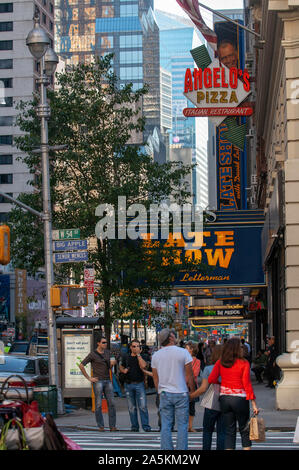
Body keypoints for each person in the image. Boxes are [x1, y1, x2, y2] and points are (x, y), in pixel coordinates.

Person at [208, 337, 259, 450]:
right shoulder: (244, 363)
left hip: (225, 398)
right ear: (237, 349)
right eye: (240, 347)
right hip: (240, 399)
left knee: (229, 431)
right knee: (244, 429)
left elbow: (211, 379)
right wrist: (253, 402)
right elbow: (246, 383)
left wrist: (221, 383)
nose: (242, 349)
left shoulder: (220, 362)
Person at [151, 328, 195, 451]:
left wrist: (159, 391)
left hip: (164, 393)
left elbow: (155, 378)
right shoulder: (183, 352)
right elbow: (189, 375)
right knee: (182, 425)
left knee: (166, 425)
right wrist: (192, 391)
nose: (175, 337)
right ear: (170, 338)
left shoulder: (156, 356)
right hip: (181, 392)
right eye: (173, 335)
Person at [190, 345, 226, 450]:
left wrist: (191, 396)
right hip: (225, 400)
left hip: (211, 400)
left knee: (207, 431)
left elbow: (203, 388)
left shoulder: (208, 369)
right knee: (222, 432)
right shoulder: (229, 367)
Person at [79, 337, 117, 432]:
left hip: (107, 380)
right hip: (98, 381)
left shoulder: (108, 352)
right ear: (98, 343)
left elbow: (111, 365)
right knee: (98, 404)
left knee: (111, 403)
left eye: (106, 342)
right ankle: (101, 426)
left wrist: (113, 363)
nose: (105, 344)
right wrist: (89, 378)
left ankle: (112, 426)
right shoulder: (93, 354)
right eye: (103, 342)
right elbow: (81, 365)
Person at [119, 339, 151, 432]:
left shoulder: (143, 356)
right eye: (134, 346)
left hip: (139, 384)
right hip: (128, 384)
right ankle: (134, 427)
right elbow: (121, 365)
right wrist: (123, 370)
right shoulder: (126, 357)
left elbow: (144, 366)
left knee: (143, 406)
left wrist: (138, 355)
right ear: (130, 347)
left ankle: (146, 427)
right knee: (131, 407)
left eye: (138, 346)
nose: (136, 348)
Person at [185, 341, 201, 432]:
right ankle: (185, 425)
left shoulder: (197, 361)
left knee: (191, 407)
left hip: (192, 386)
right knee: (184, 406)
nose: (185, 350)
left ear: (191, 350)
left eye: (186, 348)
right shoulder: (182, 360)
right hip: (183, 385)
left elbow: (195, 373)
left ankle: (190, 426)